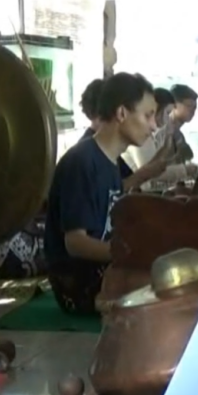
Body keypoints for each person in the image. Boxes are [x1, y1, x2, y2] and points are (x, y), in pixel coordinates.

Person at [44, 72, 155, 315]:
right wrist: (131, 254)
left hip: (102, 271)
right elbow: (75, 243)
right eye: (148, 115)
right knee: (165, 287)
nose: (154, 125)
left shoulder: (110, 162)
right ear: (122, 113)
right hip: (77, 283)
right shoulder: (82, 162)